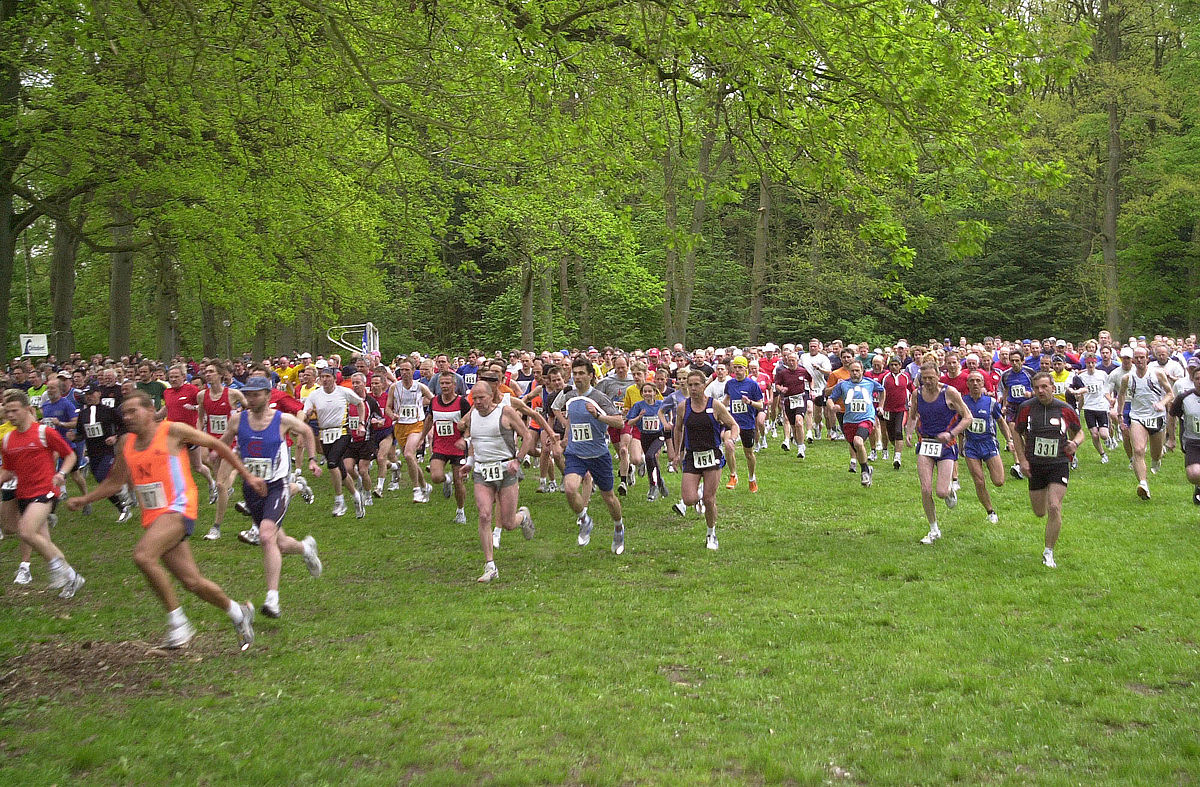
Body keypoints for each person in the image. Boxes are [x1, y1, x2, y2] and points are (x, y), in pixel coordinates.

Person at [67, 391, 259, 648]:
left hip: (180, 508)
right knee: (192, 582)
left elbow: (218, 445)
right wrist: (85, 499)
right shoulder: (126, 443)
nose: (127, 417)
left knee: (143, 556)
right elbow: (115, 481)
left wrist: (247, 476)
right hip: (155, 516)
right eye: (125, 413)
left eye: (133, 411)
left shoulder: (172, 431)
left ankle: (179, 625)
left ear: (150, 410)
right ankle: (239, 612)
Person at [217, 376, 324, 617]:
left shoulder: (281, 420)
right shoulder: (237, 420)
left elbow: (307, 431)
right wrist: (215, 456)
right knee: (278, 542)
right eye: (248, 394)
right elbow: (223, 444)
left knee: (265, 536)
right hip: (252, 489)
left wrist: (311, 460)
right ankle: (306, 548)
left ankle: (272, 599)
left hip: (277, 487)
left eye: (256, 394)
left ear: (267, 395)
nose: (251, 399)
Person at [0, 389, 84, 597]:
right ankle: (72, 577)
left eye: (14, 410)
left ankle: (58, 569)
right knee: (32, 536)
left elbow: (70, 455)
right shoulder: (8, 439)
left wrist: (62, 474)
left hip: (45, 491)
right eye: (7, 411)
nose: (10, 415)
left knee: (26, 532)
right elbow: (8, 469)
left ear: (28, 409)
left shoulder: (43, 432)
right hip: (23, 493)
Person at [461, 382, 534, 582]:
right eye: (474, 399)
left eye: (481, 398)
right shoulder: (472, 415)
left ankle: (523, 516)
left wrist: (518, 460)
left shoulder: (506, 412)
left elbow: (527, 437)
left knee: (509, 523)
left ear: (491, 395)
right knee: (484, 515)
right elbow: (474, 441)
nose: (477, 402)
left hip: (506, 469)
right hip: (482, 471)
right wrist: (469, 463)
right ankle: (490, 566)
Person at [555, 357, 627, 554]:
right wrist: (566, 438)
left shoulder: (598, 398)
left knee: (609, 497)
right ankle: (585, 520)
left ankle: (619, 527)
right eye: (575, 373)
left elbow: (620, 422)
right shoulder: (569, 397)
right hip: (575, 453)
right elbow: (571, 420)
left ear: (590, 376)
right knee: (570, 489)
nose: (577, 377)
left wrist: (598, 416)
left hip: (598, 454)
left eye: (581, 374)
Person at [1013, 372, 1084, 568]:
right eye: (1036, 388)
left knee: (1054, 506)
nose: (1040, 391)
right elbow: (1016, 433)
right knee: (1039, 512)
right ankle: (1047, 513)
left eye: (1044, 387)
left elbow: (1079, 432)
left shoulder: (1065, 409)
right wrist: (1022, 460)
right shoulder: (1026, 408)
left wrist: (1075, 444)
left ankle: (1048, 551)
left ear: (1053, 387)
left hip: (1058, 463)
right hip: (1035, 464)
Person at [905, 362, 972, 544]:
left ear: (938, 376)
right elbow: (913, 416)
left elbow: (968, 417)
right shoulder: (917, 394)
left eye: (931, 378)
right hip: (925, 443)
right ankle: (933, 529)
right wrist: (909, 432)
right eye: (924, 378)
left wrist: (951, 433)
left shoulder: (949, 393)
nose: (927, 382)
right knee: (926, 489)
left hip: (946, 445)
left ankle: (949, 491)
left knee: (941, 492)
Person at [673, 369, 739, 550]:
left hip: (712, 456)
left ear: (704, 386)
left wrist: (731, 440)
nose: (693, 388)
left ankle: (711, 533)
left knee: (709, 499)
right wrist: (677, 453)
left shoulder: (715, 405)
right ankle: (699, 494)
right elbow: (677, 429)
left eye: (697, 385)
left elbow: (733, 424)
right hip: (692, 456)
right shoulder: (683, 407)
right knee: (688, 499)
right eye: (690, 385)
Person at [302, 366, 366, 517]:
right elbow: (305, 411)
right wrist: (306, 415)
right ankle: (356, 496)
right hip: (325, 434)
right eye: (322, 377)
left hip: (342, 432)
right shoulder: (314, 395)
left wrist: (361, 423)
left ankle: (339, 501)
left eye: (327, 377)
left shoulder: (343, 392)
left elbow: (360, 403)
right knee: (340, 469)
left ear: (334, 378)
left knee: (332, 463)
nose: (325, 380)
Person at [197, 362, 248, 540]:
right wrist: (199, 436)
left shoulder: (233, 394)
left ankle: (216, 527)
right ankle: (232, 478)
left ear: (220, 375)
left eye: (211, 372)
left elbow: (250, 409)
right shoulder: (202, 395)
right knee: (216, 475)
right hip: (212, 441)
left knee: (219, 485)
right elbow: (201, 418)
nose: (207, 374)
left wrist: (242, 422)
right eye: (206, 372)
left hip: (229, 442)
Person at [1116, 347, 1174, 500]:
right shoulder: (1127, 378)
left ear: (1148, 358)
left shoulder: (1157, 373)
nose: (1140, 360)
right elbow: (1121, 395)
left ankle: (1156, 460)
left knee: (1155, 453)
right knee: (1139, 450)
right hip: (1137, 417)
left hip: (1156, 417)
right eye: (1137, 357)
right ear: (1133, 360)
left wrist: (1162, 403)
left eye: (1142, 357)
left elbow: (1170, 393)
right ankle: (1143, 484)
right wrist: (1120, 414)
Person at [961, 370, 1013, 523]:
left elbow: (1001, 422)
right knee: (979, 480)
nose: (975, 383)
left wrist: (1009, 440)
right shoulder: (963, 403)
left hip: (989, 443)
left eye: (978, 381)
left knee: (998, 481)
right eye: (972, 381)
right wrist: (959, 442)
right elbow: (958, 422)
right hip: (971, 445)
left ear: (983, 383)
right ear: (968, 384)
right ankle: (990, 511)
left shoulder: (990, 403)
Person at [419, 373, 472, 524]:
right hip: (440, 446)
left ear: (454, 385)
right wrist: (422, 437)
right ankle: (446, 479)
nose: (444, 386)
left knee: (459, 482)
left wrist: (465, 438)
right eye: (442, 383)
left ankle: (460, 511)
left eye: (448, 383)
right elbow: (429, 419)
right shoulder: (434, 401)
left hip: (458, 448)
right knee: (435, 477)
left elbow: (470, 421)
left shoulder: (462, 402)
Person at [77, 386, 133, 523]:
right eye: (87, 394)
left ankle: (121, 488)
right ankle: (123, 509)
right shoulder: (83, 414)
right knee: (101, 481)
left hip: (107, 451)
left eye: (91, 393)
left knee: (103, 476)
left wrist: (115, 436)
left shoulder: (108, 411)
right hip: (92, 452)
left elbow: (124, 426)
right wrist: (73, 437)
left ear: (99, 394)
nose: (89, 397)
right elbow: (80, 433)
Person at [828, 360, 885, 487]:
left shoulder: (869, 383)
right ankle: (867, 468)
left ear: (862, 371)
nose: (855, 373)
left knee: (858, 442)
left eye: (857, 370)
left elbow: (882, 390)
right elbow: (830, 398)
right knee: (856, 447)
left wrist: (881, 406)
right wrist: (833, 407)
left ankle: (864, 471)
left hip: (866, 418)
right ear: (848, 372)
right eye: (852, 371)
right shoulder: (843, 385)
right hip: (849, 421)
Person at [387, 360, 435, 504]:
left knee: (408, 454)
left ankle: (417, 490)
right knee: (411, 460)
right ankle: (425, 486)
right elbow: (388, 407)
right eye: (402, 370)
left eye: (407, 370)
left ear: (414, 371)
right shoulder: (394, 387)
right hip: (400, 426)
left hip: (416, 425)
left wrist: (422, 403)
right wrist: (392, 415)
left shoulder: (420, 387)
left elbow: (434, 401)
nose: (404, 373)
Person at [722, 356, 764, 491]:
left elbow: (761, 405)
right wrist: (717, 411)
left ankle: (752, 478)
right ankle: (733, 475)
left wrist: (750, 402)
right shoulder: (730, 384)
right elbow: (727, 399)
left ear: (746, 369)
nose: (738, 370)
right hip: (733, 422)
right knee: (728, 444)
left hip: (747, 423)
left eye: (741, 367)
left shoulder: (752, 385)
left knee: (749, 453)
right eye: (736, 367)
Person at [626, 381, 669, 501]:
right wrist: (639, 417)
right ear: (642, 393)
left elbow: (669, 413)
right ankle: (659, 482)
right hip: (645, 436)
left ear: (655, 393)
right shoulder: (638, 406)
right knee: (651, 460)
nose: (647, 393)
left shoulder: (661, 404)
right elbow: (629, 422)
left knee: (650, 456)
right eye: (645, 391)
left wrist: (667, 423)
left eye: (650, 391)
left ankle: (653, 486)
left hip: (658, 435)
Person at [1069, 353, 1113, 463]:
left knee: (1103, 434)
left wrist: (1110, 400)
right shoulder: (1081, 377)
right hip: (1089, 407)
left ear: (1095, 363)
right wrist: (1078, 398)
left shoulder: (1102, 374)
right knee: (1094, 434)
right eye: (1088, 363)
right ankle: (1103, 454)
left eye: (1092, 363)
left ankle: (1108, 439)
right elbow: (1080, 391)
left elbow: (1107, 388)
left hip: (1101, 406)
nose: (1090, 365)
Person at [1169, 363, 1200, 506]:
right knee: (1193, 474)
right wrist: (1171, 438)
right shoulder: (1184, 397)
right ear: (1193, 380)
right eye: (1197, 378)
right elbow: (1172, 415)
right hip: (1192, 441)